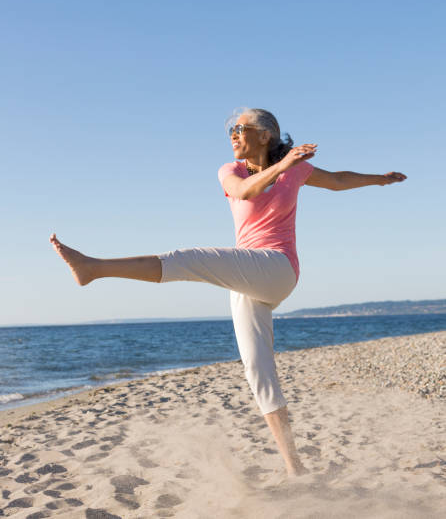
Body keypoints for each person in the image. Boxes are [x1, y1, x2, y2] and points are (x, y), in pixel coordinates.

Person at [49, 107, 407, 477]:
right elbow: (245, 190)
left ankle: (94, 268)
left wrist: (379, 179)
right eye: (230, 130)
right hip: (246, 276)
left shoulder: (295, 170)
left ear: (265, 135)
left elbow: (337, 179)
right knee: (258, 371)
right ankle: (295, 467)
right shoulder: (231, 170)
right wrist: (282, 166)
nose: (233, 134)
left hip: (278, 267)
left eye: (240, 128)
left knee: (189, 259)